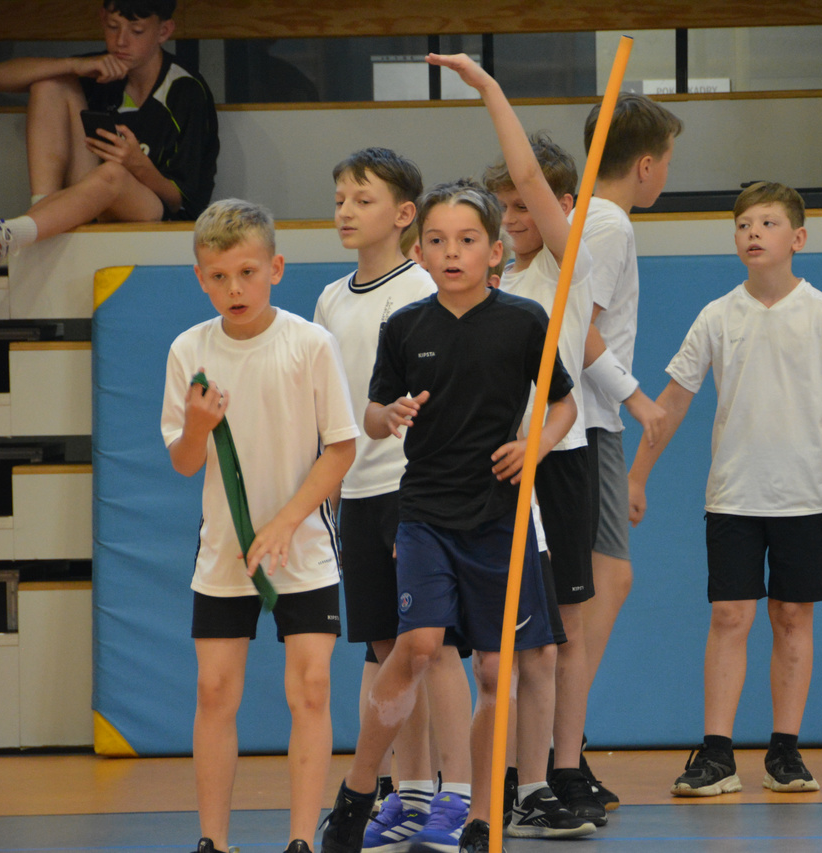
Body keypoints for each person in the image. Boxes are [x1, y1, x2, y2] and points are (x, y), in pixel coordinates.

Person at [320, 181, 579, 853]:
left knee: (495, 670)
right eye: (437, 241)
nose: (451, 252)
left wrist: (535, 445)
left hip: (498, 519)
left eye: (467, 240)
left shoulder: (524, 321)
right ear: (421, 252)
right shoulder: (406, 326)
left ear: (495, 252)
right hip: (425, 514)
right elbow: (371, 413)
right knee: (418, 645)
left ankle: (478, 815)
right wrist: (389, 414)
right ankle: (357, 792)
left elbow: (563, 404)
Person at [627, 181, 822, 797]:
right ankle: (717, 754)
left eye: (767, 223)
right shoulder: (717, 315)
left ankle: (785, 751)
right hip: (733, 499)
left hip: (806, 502)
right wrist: (636, 475)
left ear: (798, 238)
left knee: (791, 617)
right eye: (743, 225)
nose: (753, 233)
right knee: (730, 616)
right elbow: (673, 401)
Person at [426, 52, 607, 832]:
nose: (513, 215)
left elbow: (530, 176)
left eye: (519, 205)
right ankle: (491, 781)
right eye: (498, 209)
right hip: (486, 473)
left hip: (555, 465)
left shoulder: (567, 268)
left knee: (552, 636)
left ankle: (549, 776)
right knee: (492, 642)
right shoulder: (486, 284)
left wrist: (491, 90)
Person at [160, 199, 357, 853]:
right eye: (218, 277)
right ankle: (213, 841)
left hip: (303, 548)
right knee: (214, 689)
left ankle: (301, 840)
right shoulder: (189, 349)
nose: (234, 288)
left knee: (312, 687)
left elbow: (341, 447)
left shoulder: (310, 343)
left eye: (247, 272)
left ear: (275, 268)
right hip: (224, 552)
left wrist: (285, 523)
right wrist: (197, 425)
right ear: (199, 279)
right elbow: (185, 461)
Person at [314, 148, 480, 853]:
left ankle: (456, 796)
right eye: (340, 199)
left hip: (415, 493)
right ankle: (410, 794)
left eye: (363, 199)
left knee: (432, 646)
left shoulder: (422, 289)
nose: (346, 211)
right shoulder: (329, 298)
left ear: (404, 213)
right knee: (388, 649)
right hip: (356, 492)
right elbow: (331, 404)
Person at [571, 92, 683, 810]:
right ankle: (554, 751)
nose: (667, 173)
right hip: (588, 423)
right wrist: (636, 397)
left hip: (590, 424)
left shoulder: (588, 218)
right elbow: (578, 327)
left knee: (600, 586)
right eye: (667, 160)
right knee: (602, 586)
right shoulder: (608, 224)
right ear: (645, 165)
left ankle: (558, 748)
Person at [0, 0, 218, 281]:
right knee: (51, 81)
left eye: (136, 31)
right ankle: (37, 216)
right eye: (113, 27)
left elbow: (181, 201)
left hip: (157, 211)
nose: (121, 41)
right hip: (90, 194)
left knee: (112, 174)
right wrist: (74, 65)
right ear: (102, 18)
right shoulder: (101, 67)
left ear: (164, 31)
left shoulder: (186, 90)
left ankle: (11, 236)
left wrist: (137, 164)